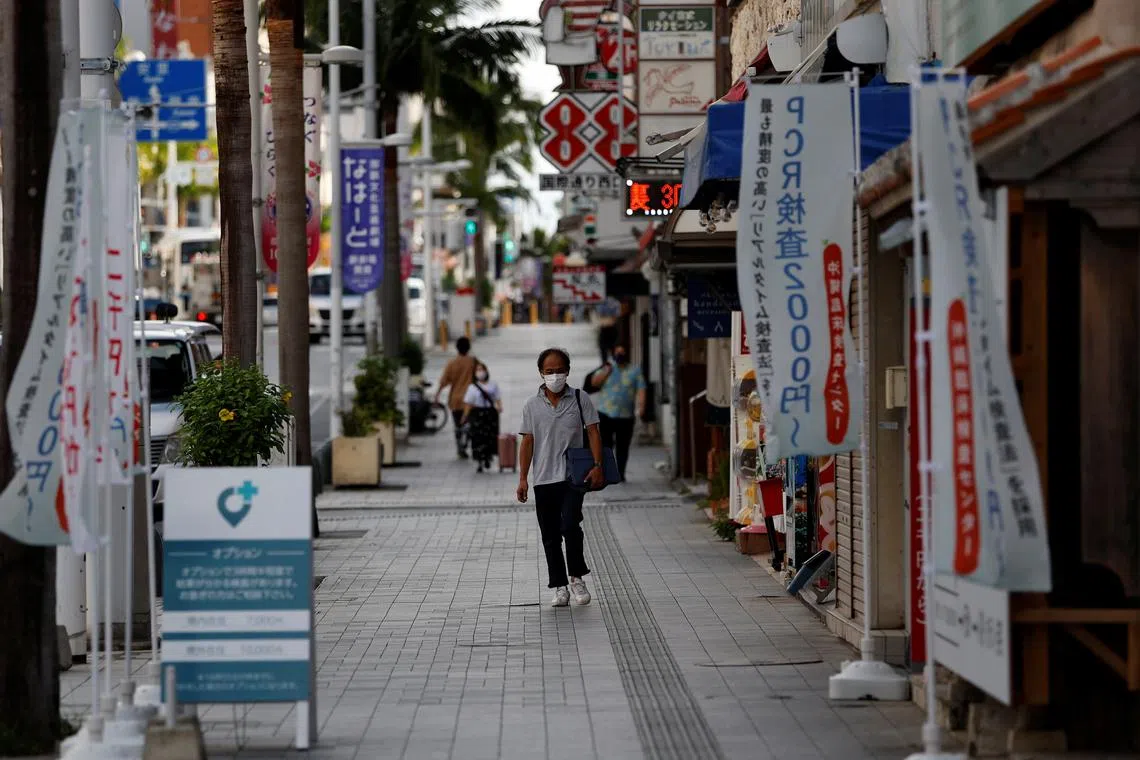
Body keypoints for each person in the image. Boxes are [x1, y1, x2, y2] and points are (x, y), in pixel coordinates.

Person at [517, 348, 604, 607]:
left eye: (559, 370)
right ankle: (559, 587)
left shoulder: (580, 398)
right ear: (541, 373)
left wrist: (598, 465)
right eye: (549, 371)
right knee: (550, 534)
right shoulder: (531, 406)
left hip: (572, 477)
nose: (555, 376)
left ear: (568, 370)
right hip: (543, 479)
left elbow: (594, 433)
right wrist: (523, 478)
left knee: (570, 526)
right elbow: (527, 442)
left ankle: (576, 577)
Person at [593, 345, 646, 482]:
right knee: (606, 445)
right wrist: (607, 372)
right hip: (605, 413)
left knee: (623, 446)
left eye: (622, 352)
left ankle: (621, 473)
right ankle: (606, 472)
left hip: (626, 416)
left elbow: (641, 390)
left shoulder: (635, 371)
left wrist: (641, 407)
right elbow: (594, 383)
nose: (620, 355)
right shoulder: (606, 368)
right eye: (617, 352)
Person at [435, 336, 477, 458]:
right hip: (470, 401)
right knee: (470, 423)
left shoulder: (452, 363)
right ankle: (466, 442)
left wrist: (437, 395)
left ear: (457, 348)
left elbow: (443, 381)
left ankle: (460, 447)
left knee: (457, 425)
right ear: (468, 348)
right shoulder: (473, 362)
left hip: (455, 400)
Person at [460, 360, 502, 473]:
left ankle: (488, 457)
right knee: (478, 438)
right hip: (477, 415)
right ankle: (479, 461)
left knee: (490, 437)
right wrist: (465, 416)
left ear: (486, 371)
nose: (480, 372)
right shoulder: (472, 387)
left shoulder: (493, 385)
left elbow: (497, 398)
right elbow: (468, 404)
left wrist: (499, 407)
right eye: (478, 370)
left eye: (482, 370)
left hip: (490, 414)